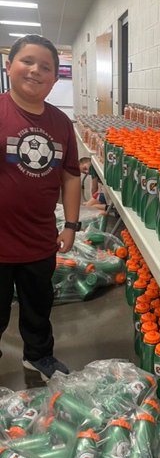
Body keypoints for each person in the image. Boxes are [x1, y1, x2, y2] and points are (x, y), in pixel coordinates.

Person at [0, 35, 82, 381]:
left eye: (46, 67)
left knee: (38, 306)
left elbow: (71, 176)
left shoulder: (61, 124)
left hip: (39, 239)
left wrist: (71, 225)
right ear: (9, 66)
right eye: (27, 61)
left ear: (55, 77)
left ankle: (38, 356)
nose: (35, 70)